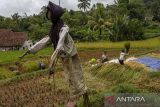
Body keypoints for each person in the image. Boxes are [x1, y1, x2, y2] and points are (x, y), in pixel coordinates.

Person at [23, 1, 90, 107]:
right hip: (65, 57)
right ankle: (79, 99)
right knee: (70, 78)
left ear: (53, 13)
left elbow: (60, 44)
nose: (47, 14)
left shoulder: (63, 28)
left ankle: (79, 99)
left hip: (70, 56)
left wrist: (52, 64)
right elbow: (44, 41)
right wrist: (30, 50)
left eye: (48, 11)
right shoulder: (54, 29)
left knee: (75, 76)